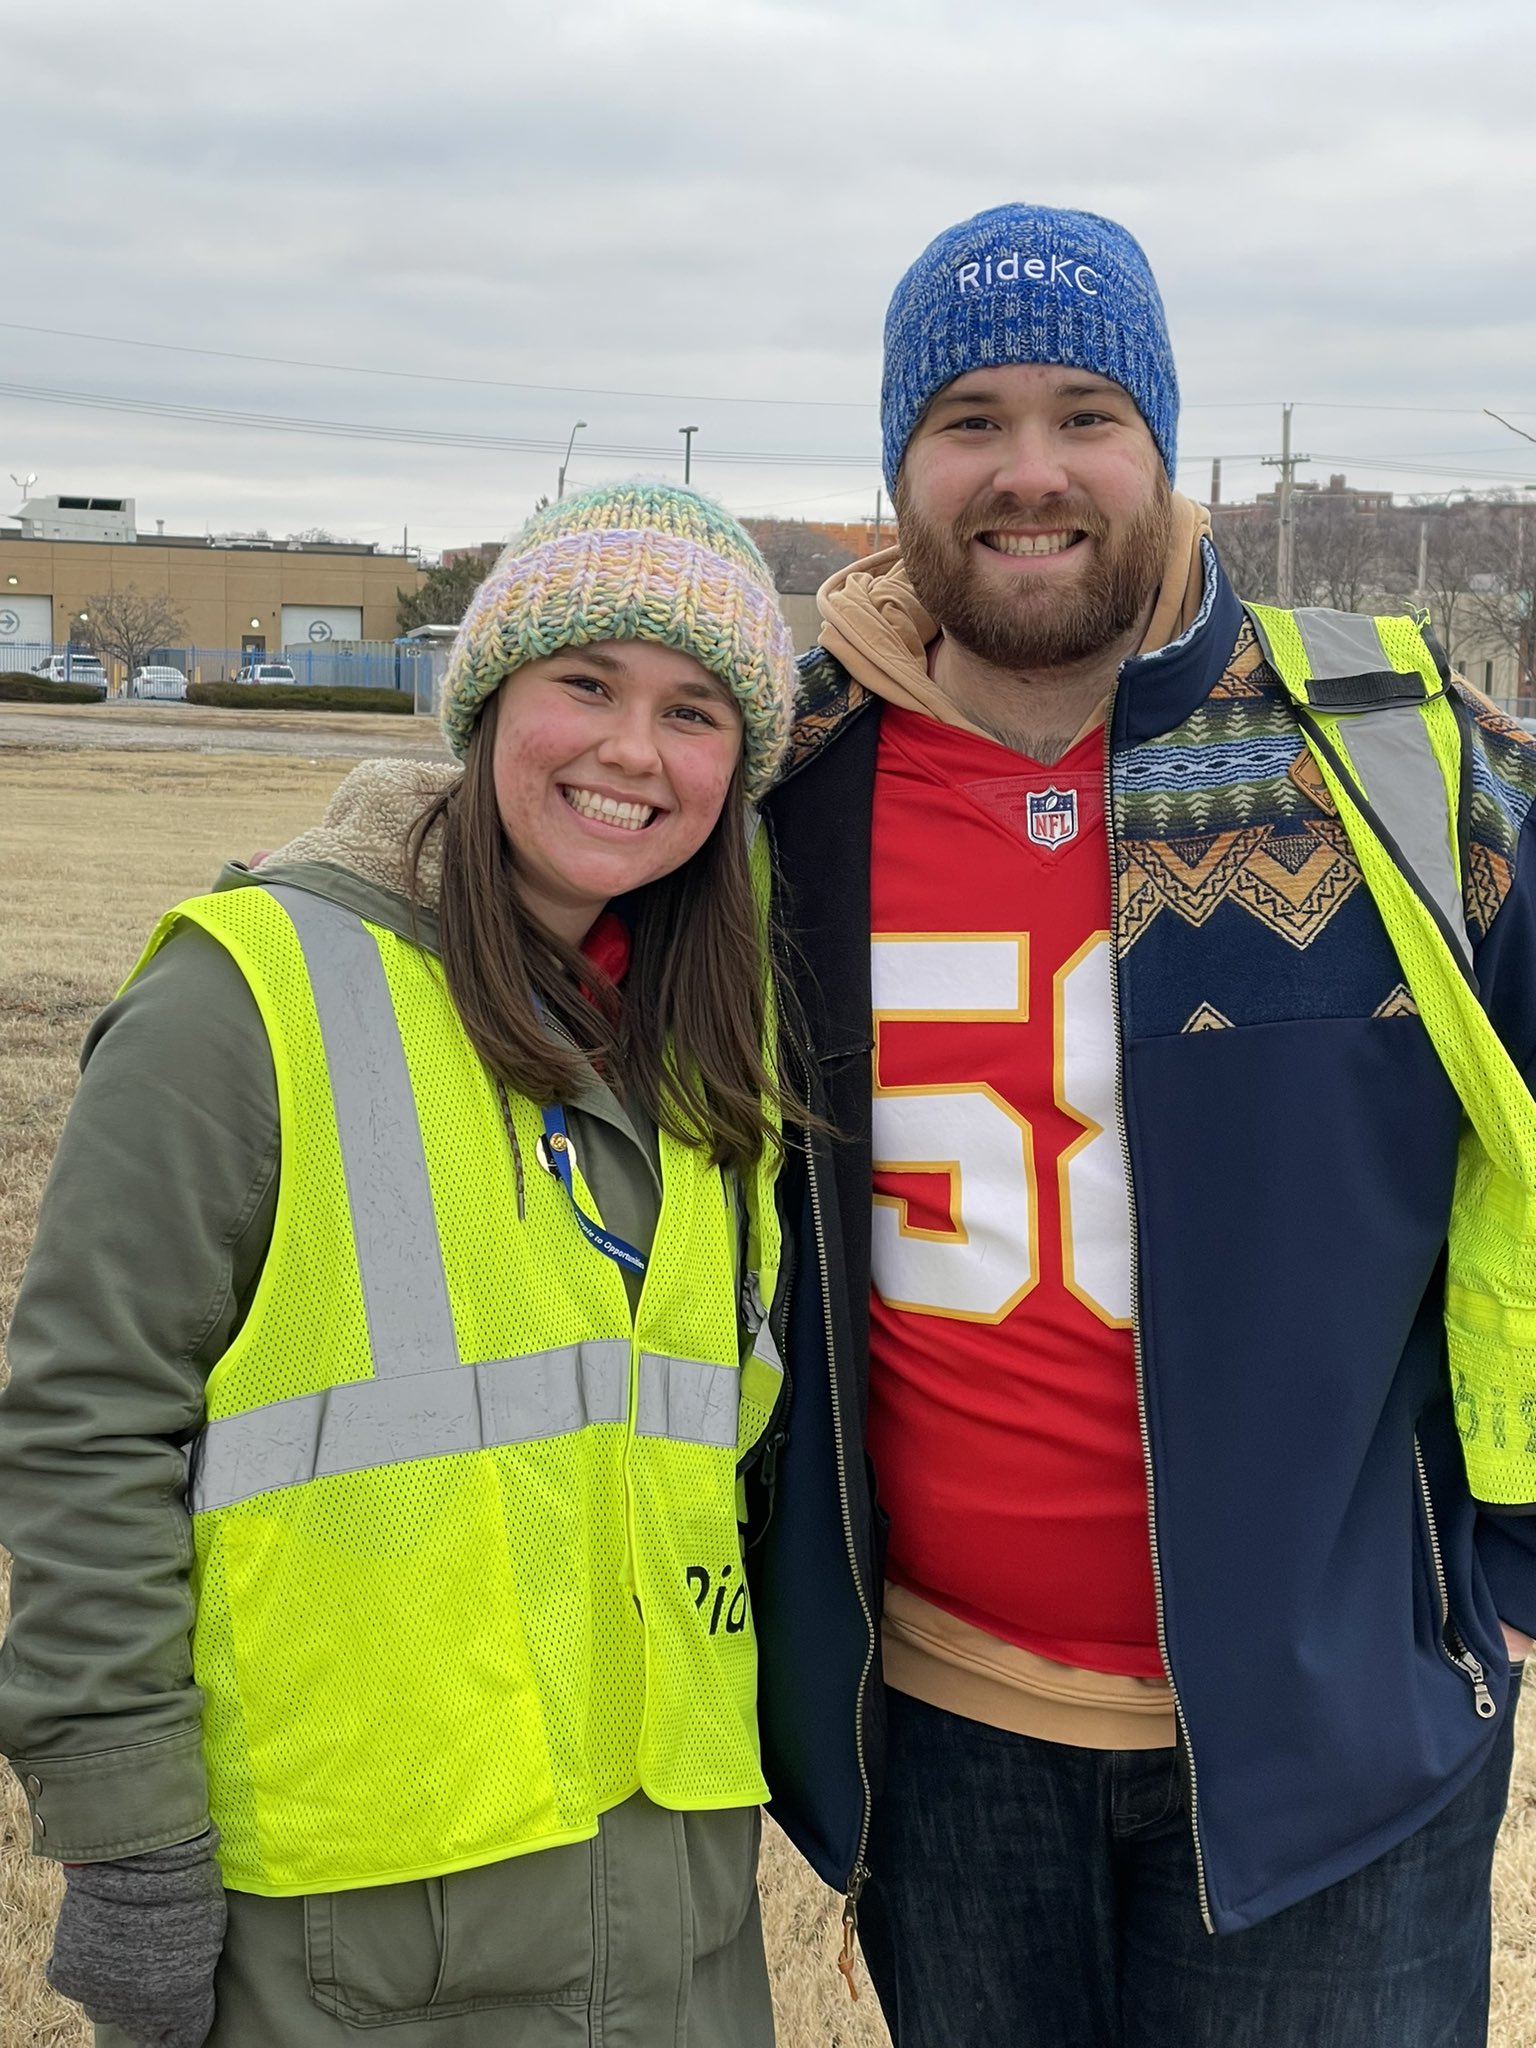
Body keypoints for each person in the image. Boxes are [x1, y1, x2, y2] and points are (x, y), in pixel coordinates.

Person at [750, 203, 1536, 2046]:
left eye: (1086, 411)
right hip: (939, 1751)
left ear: (1166, 449)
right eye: (969, 419)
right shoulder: (782, 790)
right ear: (898, 464)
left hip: (1340, 1759)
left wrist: (1506, 1571)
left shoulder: (1397, 760)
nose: (1032, 473)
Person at [0, 483, 799, 2048]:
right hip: (354, 1932)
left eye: (693, 710)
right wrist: (129, 1838)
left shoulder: (714, 1046)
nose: (633, 751)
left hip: (673, 1911)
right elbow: (85, 1426)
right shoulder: (245, 1001)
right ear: (486, 702)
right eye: (588, 684)